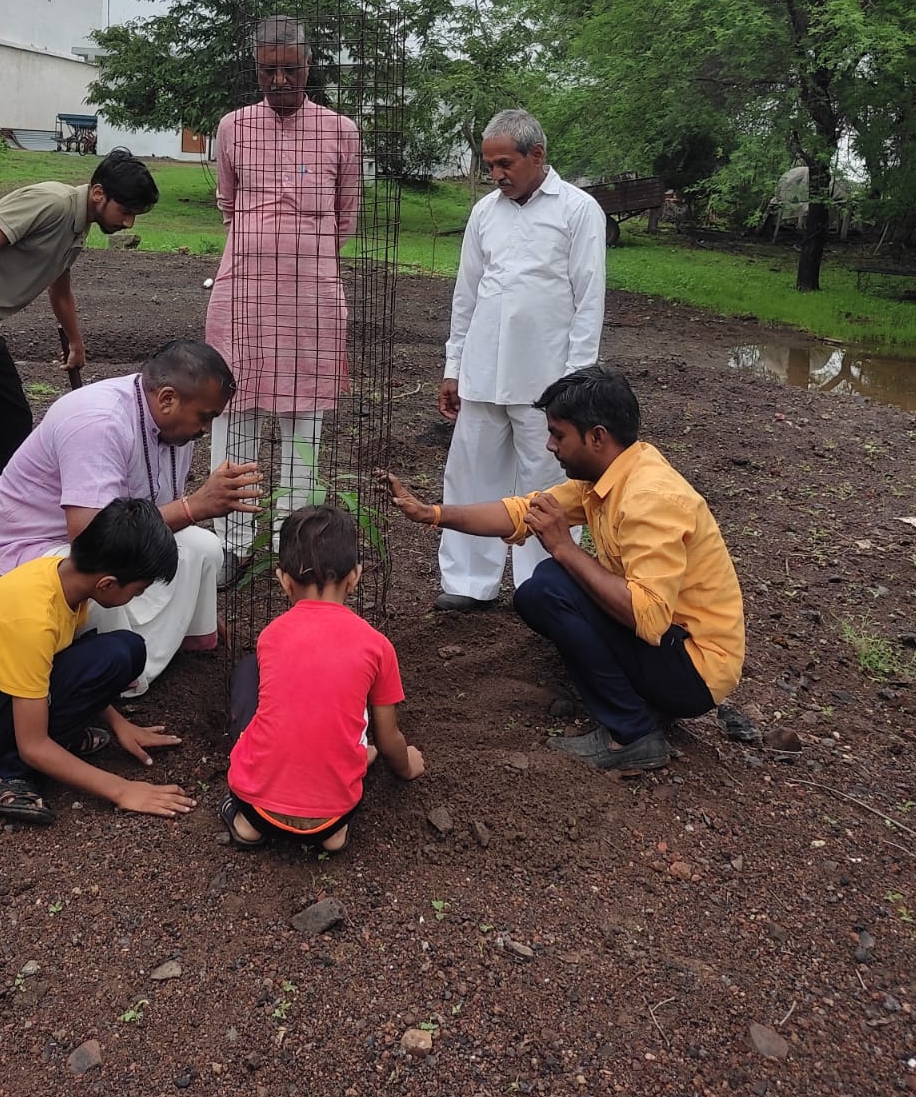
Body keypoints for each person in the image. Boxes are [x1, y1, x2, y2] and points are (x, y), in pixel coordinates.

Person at [386, 365, 745, 773]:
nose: (550, 446)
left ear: (597, 437)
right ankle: (642, 702)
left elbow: (648, 618)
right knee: (544, 587)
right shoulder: (608, 474)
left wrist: (563, 547)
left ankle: (631, 733)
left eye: (558, 434)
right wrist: (432, 513)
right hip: (673, 646)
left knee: (550, 589)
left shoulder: (650, 498)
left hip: (694, 669)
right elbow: (522, 511)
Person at [0, 340, 261, 692]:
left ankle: (164, 647)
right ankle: (115, 674)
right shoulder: (99, 421)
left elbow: (150, 520)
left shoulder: (175, 426)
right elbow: (92, 539)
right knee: (101, 574)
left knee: (201, 545)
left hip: (76, 544)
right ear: (167, 399)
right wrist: (194, 507)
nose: (206, 429)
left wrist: (192, 593)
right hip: (8, 551)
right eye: (205, 417)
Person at [0, 146, 159, 520]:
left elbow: (59, 287)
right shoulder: (50, 202)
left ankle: (2, 511)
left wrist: (76, 342)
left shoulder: (78, 225)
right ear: (98, 194)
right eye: (125, 212)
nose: (128, 224)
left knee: (13, 418)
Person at [0, 497, 196, 824]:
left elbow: (59, 666)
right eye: (137, 591)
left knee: (125, 651)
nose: (136, 597)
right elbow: (33, 745)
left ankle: (58, 738)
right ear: (107, 584)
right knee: (113, 657)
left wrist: (119, 724)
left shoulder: (62, 577)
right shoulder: (31, 619)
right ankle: (1, 774)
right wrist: (122, 789)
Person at [205, 16, 360, 586]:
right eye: (267, 70)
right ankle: (231, 541)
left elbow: (347, 215)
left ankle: (290, 544)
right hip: (243, 287)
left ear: (308, 68)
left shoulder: (340, 130)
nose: (278, 81)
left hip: (310, 296)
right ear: (256, 69)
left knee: (302, 420)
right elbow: (228, 202)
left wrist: (299, 251)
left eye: (289, 70)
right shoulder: (233, 128)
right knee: (235, 411)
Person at [434, 108, 606, 612]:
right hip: (483, 371)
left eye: (504, 163)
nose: (497, 175)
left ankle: (540, 587)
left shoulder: (578, 210)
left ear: (538, 155)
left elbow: (588, 300)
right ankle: (468, 581)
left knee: (544, 485)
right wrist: (454, 367)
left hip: (547, 379)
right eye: (489, 166)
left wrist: (577, 384)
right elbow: (466, 296)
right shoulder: (486, 212)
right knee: (470, 475)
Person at [221, 504, 424, 852]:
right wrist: (408, 766)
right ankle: (332, 835)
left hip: (258, 809)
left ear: (283, 581)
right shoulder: (377, 646)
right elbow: (388, 737)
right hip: (334, 813)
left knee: (253, 678)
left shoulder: (271, 636)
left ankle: (246, 826)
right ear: (355, 577)